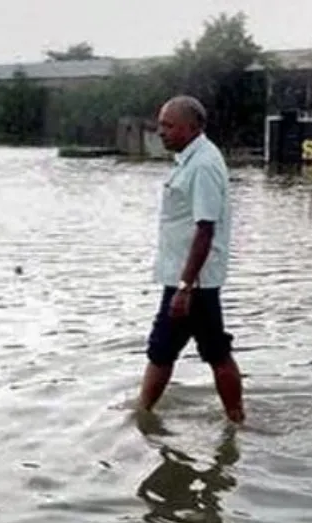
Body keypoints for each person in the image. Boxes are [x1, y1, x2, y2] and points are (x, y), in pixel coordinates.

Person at [137, 95, 245, 423]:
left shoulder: (203, 165)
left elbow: (205, 229)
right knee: (197, 350)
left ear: (191, 126)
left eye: (168, 125)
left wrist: (185, 286)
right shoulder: (191, 159)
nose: (161, 132)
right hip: (187, 278)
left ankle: (142, 414)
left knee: (173, 350)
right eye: (160, 125)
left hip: (192, 280)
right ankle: (235, 420)